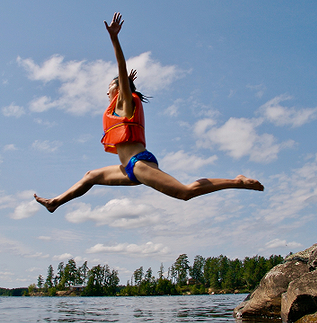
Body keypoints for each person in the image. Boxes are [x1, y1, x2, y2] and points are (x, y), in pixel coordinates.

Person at [34, 12, 263, 213]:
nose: (106, 91)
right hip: (127, 169)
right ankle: (55, 202)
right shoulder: (121, 102)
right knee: (90, 176)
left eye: (109, 86)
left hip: (138, 163)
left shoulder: (125, 100)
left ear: (118, 88)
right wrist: (127, 83)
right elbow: (122, 81)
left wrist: (114, 39)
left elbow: (121, 69)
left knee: (185, 192)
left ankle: (237, 181)